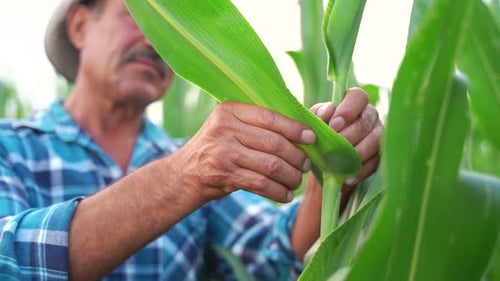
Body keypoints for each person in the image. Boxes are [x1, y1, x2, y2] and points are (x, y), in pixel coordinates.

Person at [0, 0, 382, 280]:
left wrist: (331, 171)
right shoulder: (10, 147)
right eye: (144, 16)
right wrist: (181, 178)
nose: (155, 44)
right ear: (81, 26)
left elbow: (274, 250)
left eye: (169, 33)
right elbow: (8, 259)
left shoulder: (192, 161)